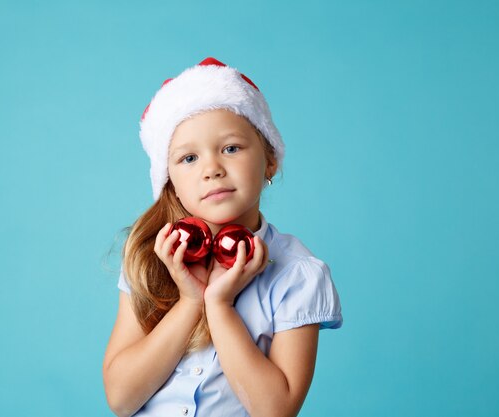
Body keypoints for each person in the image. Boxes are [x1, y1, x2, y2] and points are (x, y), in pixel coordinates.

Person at [102, 57, 343, 417]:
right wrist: (190, 302)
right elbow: (121, 399)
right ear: (169, 182)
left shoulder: (298, 273)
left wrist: (219, 306)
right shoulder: (150, 256)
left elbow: (275, 410)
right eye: (188, 158)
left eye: (231, 148)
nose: (212, 169)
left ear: (270, 160)